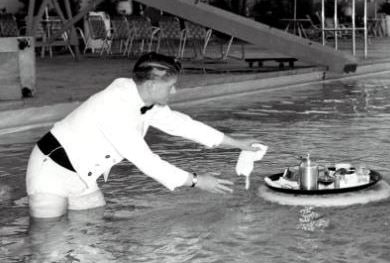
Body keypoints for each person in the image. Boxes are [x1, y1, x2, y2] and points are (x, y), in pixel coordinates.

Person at [25, 52, 265, 219]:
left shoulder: (145, 99)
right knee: (48, 241)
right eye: (170, 85)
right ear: (150, 85)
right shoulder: (116, 107)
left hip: (84, 176)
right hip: (52, 172)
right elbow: (145, 160)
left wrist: (236, 144)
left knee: (91, 232)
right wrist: (196, 180)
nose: (174, 90)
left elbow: (183, 125)